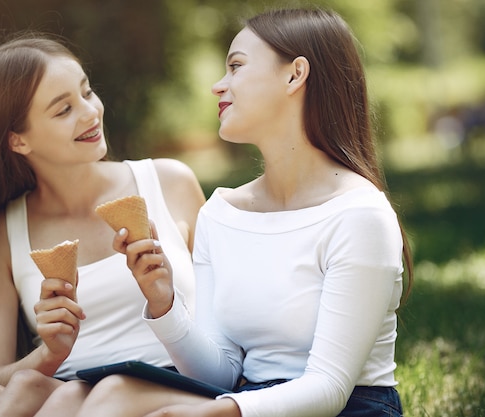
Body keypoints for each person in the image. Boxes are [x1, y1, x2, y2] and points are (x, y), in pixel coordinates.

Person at [41, 7, 414, 417]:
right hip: (246, 397)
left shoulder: (359, 214)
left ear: (295, 75)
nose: (218, 86)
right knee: (107, 394)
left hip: (349, 407)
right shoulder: (222, 212)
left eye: (235, 67)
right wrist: (164, 302)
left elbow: (329, 389)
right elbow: (219, 374)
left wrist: (213, 412)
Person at [0, 33, 205, 417]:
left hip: (175, 384)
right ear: (18, 141)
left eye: (87, 92)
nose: (90, 112)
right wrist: (50, 353)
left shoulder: (170, 182)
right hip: (68, 391)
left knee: (72, 397)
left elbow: (230, 318)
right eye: (64, 110)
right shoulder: (4, 233)